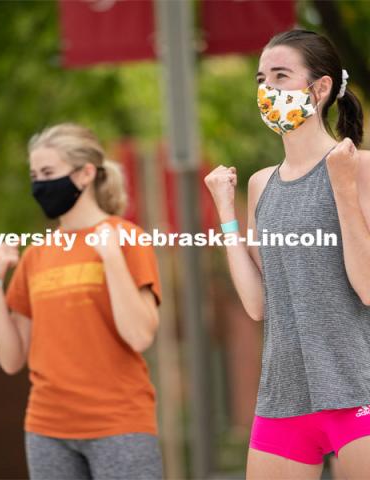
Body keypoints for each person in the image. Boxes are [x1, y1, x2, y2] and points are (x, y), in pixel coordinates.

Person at [204, 29, 370, 479]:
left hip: (359, 390)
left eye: (281, 76)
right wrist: (226, 213)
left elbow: (368, 287)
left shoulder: (359, 166)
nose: (267, 91)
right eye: (261, 79)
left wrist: (342, 187)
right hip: (283, 397)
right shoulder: (261, 185)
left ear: (320, 88)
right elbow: (258, 305)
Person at [0, 123, 164, 480]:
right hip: (47, 429)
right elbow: (10, 358)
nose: (39, 184)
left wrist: (111, 259)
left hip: (119, 424)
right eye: (34, 175)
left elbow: (141, 336)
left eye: (48, 173)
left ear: (84, 174)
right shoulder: (36, 255)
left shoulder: (127, 238)